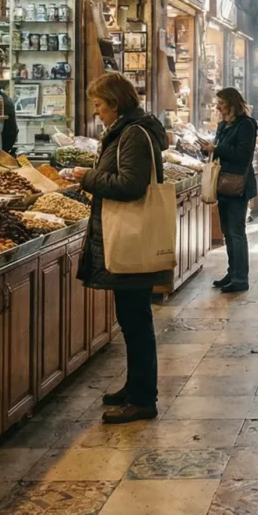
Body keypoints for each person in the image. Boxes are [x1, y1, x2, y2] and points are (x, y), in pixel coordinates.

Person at [72, 73, 170, 424]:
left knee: (136, 321)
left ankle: (144, 399)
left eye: (99, 104)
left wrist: (86, 178)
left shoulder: (131, 134)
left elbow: (130, 184)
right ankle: (135, 386)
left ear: (114, 103)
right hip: (126, 236)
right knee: (131, 320)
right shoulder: (129, 130)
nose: (96, 111)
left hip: (132, 238)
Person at [212, 87, 258, 293]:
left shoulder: (246, 125)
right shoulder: (224, 125)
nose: (218, 108)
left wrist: (216, 149)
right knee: (227, 233)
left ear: (232, 104)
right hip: (223, 184)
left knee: (237, 232)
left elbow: (242, 154)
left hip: (238, 185)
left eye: (221, 104)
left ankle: (241, 278)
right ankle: (232, 272)